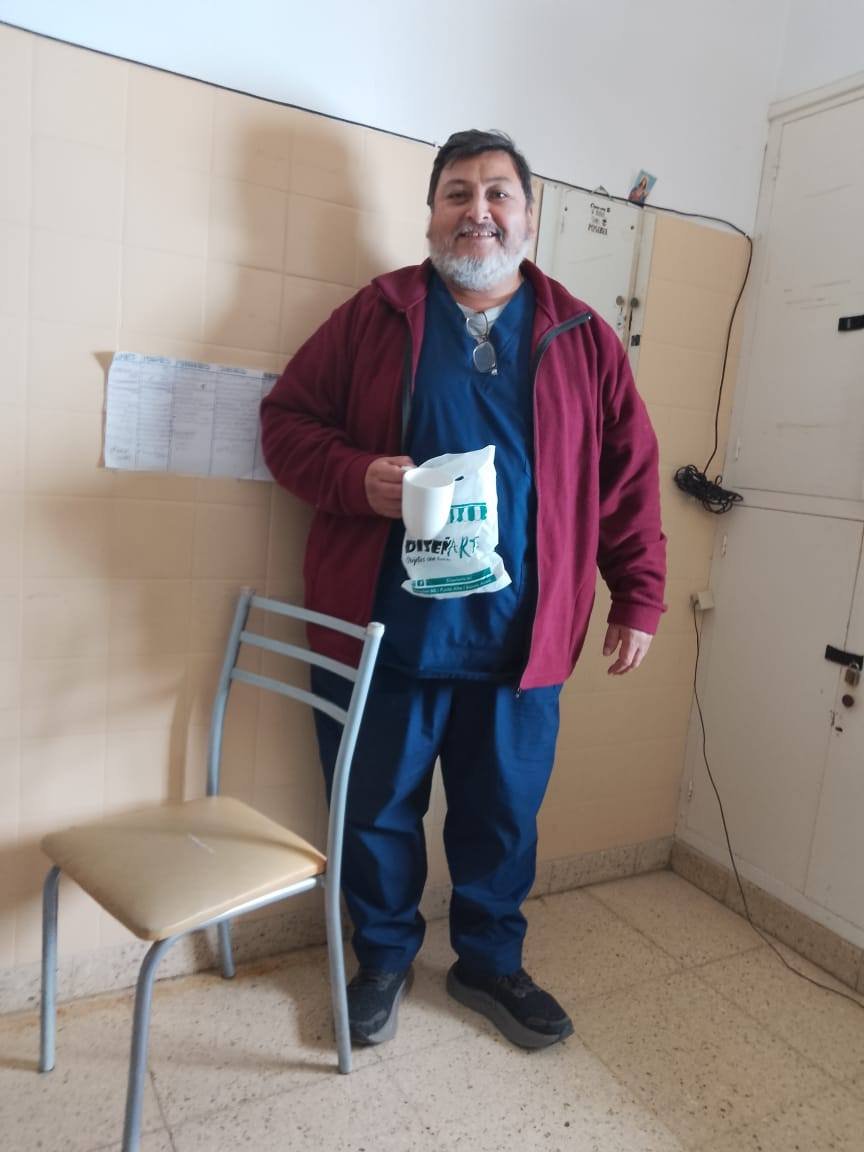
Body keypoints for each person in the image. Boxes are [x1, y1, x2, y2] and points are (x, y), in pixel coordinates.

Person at [260, 129, 666, 1052]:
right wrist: (356, 476)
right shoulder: (376, 316)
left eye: (497, 193)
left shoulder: (583, 337)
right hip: (388, 633)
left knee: (502, 817)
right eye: (457, 193)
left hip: (522, 641)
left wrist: (639, 594)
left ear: (529, 216)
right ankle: (383, 959)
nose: (477, 211)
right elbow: (284, 424)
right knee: (374, 810)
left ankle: (487, 961)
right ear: (432, 213)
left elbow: (629, 478)